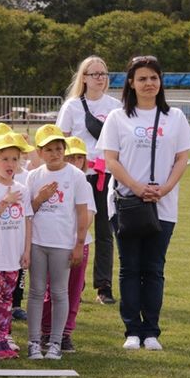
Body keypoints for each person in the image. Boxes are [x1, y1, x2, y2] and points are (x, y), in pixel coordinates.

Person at [96, 55, 190, 351]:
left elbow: (182, 158)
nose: (148, 83)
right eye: (142, 78)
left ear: (160, 81)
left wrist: (163, 188)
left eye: (154, 77)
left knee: (154, 268)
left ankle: (151, 331)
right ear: (131, 83)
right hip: (126, 204)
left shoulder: (174, 117)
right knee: (129, 267)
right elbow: (110, 161)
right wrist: (137, 187)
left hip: (162, 206)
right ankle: (132, 330)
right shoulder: (118, 117)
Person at [56, 56, 123, 305]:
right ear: (83, 77)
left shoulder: (115, 106)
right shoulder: (72, 106)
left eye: (103, 74)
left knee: (106, 231)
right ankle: (74, 279)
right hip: (79, 177)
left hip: (107, 177)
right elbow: (60, 140)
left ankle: (103, 285)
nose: (100, 78)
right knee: (74, 229)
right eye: (94, 74)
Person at [25, 125, 91, 361]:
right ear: (40, 152)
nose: (55, 153)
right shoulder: (33, 176)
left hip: (63, 244)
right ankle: (33, 342)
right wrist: (39, 199)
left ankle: (55, 342)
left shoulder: (76, 176)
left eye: (59, 148)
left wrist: (78, 244)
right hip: (38, 243)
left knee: (60, 292)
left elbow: (83, 213)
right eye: (49, 149)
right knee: (36, 291)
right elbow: (28, 212)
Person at [38, 136, 96, 353]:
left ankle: (64, 333)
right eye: (71, 157)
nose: (74, 161)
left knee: (71, 290)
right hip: (49, 242)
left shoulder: (81, 180)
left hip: (74, 243)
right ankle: (46, 330)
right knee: (46, 289)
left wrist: (77, 240)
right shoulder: (45, 177)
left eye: (79, 158)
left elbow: (88, 214)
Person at [0, 133, 34, 360]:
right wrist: (6, 201)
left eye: (15, 159)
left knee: (7, 301)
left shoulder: (22, 189)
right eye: (5, 159)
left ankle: (4, 337)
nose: (10, 164)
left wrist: (26, 251)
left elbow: (27, 220)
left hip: (14, 257)